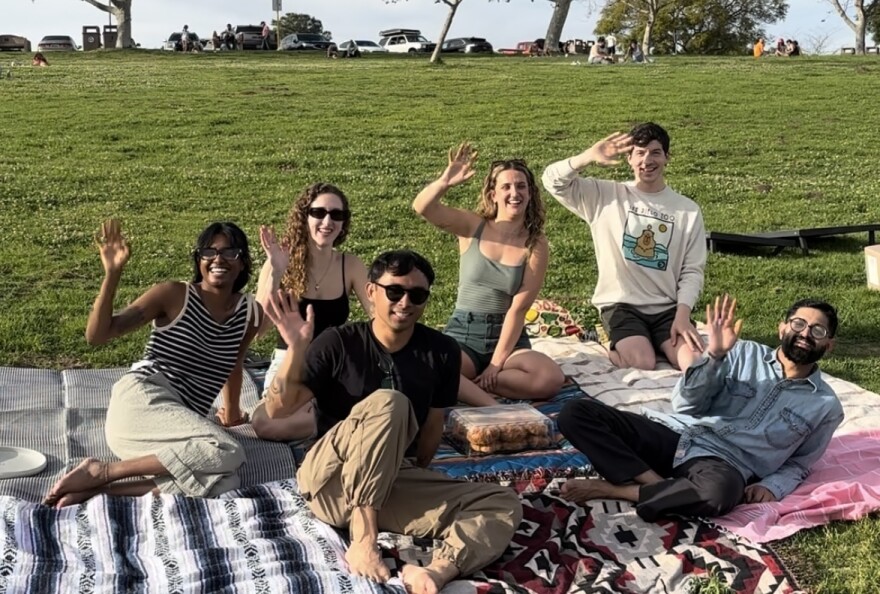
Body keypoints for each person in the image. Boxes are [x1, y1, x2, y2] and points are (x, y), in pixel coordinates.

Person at [255, 250, 522, 593]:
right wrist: (295, 349)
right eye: (395, 291)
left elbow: (431, 430)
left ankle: (435, 573)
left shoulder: (441, 350)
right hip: (329, 483)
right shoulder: (338, 343)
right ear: (370, 292)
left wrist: (423, 479)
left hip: (389, 480)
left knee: (502, 502)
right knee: (390, 403)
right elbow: (279, 409)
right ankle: (364, 540)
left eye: (417, 294)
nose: (405, 302)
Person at [43, 219, 282, 508]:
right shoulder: (174, 295)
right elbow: (98, 335)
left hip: (175, 432)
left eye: (230, 252)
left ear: (243, 263)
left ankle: (99, 492)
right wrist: (113, 274)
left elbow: (234, 362)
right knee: (227, 452)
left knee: (225, 480)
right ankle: (101, 471)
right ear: (199, 260)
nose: (218, 259)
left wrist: (231, 416)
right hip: (143, 402)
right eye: (209, 252)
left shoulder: (249, 314)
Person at [555, 295, 844, 521]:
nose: (805, 333)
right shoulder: (742, 352)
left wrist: (773, 486)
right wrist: (715, 355)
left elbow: (800, 463)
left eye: (817, 330)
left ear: (829, 345)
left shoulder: (826, 406)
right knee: (576, 413)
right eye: (798, 323)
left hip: (726, 465)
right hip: (678, 435)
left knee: (718, 495)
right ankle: (656, 484)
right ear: (782, 327)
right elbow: (685, 404)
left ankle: (617, 489)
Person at [542, 123, 706, 371]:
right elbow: (552, 181)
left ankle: (654, 341)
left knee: (695, 364)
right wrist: (586, 157)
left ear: (667, 158)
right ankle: (607, 340)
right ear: (629, 158)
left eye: (655, 152)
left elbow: (692, 270)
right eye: (639, 153)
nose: (647, 160)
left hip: (668, 309)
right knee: (643, 362)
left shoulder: (688, 210)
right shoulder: (605, 196)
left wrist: (683, 316)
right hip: (621, 306)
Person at [413, 144, 565, 406]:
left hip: (509, 338)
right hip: (465, 333)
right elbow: (422, 207)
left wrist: (496, 364)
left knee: (550, 379)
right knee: (428, 369)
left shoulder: (536, 244)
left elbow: (519, 308)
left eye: (521, 186)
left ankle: (468, 388)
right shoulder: (472, 226)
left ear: (530, 193)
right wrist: (445, 182)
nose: (514, 193)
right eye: (506, 187)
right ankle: (488, 399)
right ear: (493, 194)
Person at [252, 183, 370, 441]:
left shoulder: (349, 265)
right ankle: (346, 423)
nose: (327, 221)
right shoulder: (280, 261)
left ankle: (337, 417)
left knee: (288, 421)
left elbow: (377, 317)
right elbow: (258, 330)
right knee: (264, 424)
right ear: (304, 217)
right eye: (318, 213)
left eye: (336, 215)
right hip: (289, 360)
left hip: (332, 361)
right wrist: (276, 274)